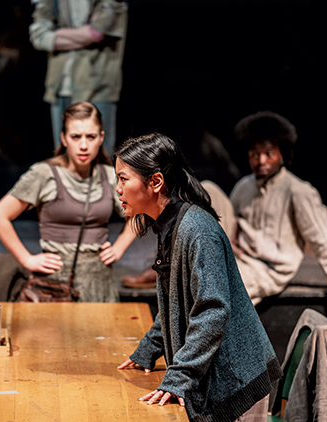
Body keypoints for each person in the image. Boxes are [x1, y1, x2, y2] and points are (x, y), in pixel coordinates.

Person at [114, 133, 282, 422]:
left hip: (237, 381)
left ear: (155, 182)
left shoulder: (197, 231)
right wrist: (149, 349)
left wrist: (178, 377)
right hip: (216, 375)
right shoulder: (169, 225)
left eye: (123, 179)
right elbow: (178, 301)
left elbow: (213, 311)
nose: (117, 189)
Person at [0, 102, 136, 302]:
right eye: (76, 137)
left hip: (99, 282)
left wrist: (119, 247)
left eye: (90, 137)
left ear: (101, 138)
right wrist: (27, 259)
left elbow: (139, 213)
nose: (83, 145)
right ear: (64, 138)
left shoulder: (109, 176)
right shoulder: (44, 174)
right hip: (54, 283)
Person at [205, 110, 327, 305]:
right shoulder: (243, 187)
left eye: (269, 154)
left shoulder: (298, 191)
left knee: (218, 291)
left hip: (269, 270)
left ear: (282, 154)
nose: (261, 161)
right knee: (207, 188)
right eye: (255, 155)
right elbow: (227, 222)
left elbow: (324, 242)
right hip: (238, 259)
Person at [29, 0, 128, 154]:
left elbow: (97, 32)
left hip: (97, 84)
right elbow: (38, 36)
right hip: (59, 84)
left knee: (98, 161)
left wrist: (56, 36)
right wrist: (83, 34)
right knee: (64, 162)